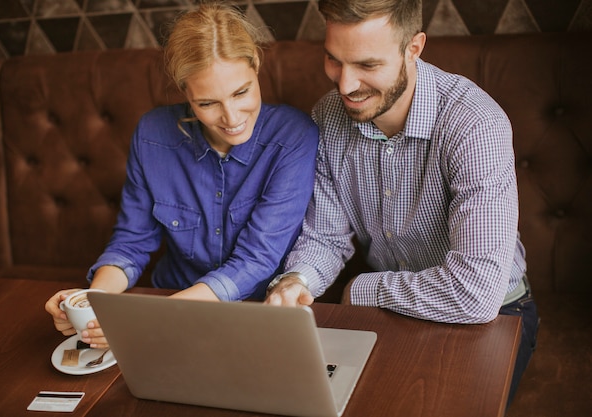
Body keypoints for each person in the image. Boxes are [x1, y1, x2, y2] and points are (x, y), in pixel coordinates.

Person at [264, 0, 538, 405]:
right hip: (389, 316)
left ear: (414, 48)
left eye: (367, 65)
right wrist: (297, 281)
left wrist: (362, 289)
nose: (344, 85)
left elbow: (476, 293)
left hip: (494, 317)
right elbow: (325, 236)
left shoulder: (474, 125)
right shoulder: (327, 116)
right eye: (333, 60)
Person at [45, 3, 318, 349]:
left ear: (256, 66)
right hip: (169, 300)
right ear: (184, 91)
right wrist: (93, 303)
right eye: (207, 103)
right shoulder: (152, 134)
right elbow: (131, 242)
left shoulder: (294, 137)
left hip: (255, 316)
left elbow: (256, 259)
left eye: (241, 92)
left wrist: (147, 319)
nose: (232, 117)